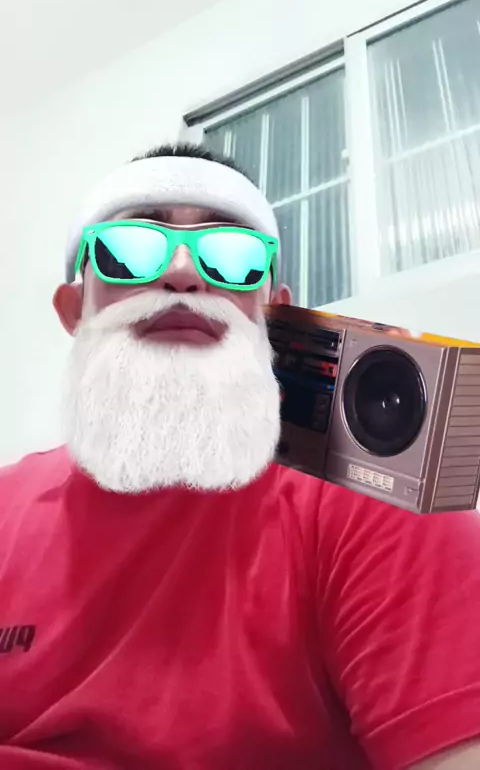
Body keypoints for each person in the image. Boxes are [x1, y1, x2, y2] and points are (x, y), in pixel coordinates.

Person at [0, 142, 479, 770]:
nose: (181, 274)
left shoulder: (376, 488)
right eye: (130, 249)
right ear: (74, 308)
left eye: (231, 256)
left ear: (273, 314)